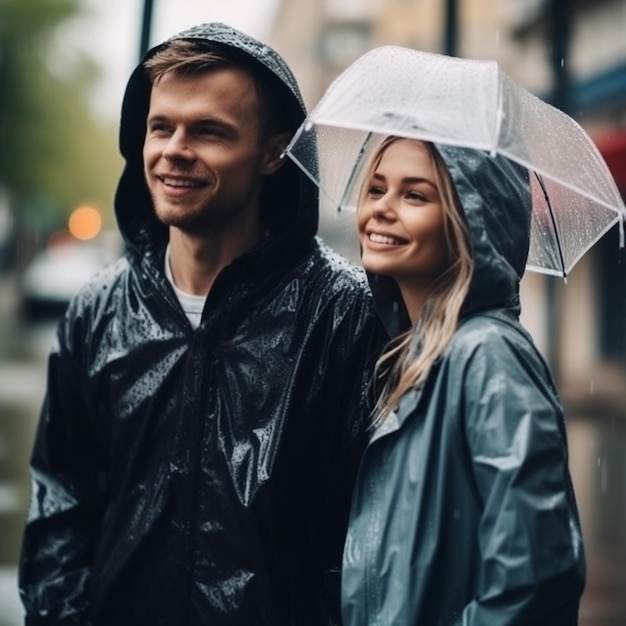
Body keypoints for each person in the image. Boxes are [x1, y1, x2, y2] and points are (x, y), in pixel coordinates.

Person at [18, 23, 386, 625]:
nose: (174, 150)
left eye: (209, 131)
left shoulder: (342, 316)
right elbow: (62, 505)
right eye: (160, 127)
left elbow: (369, 536)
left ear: (275, 151)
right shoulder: (99, 310)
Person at [341, 136, 586, 625]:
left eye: (415, 195)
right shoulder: (412, 358)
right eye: (376, 188)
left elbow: (535, 576)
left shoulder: (486, 356)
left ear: (470, 221)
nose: (381, 209)